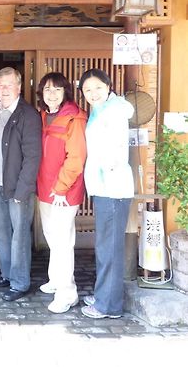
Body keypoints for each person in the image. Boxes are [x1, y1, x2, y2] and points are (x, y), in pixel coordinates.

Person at [79, 68, 134, 319]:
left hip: (112, 188)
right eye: (87, 89)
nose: (93, 93)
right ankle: (104, 295)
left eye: (98, 87)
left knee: (109, 248)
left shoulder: (114, 111)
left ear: (109, 86)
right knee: (105, 246)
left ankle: (108, 305)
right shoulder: (101, 110)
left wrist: (107, 172)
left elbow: (115, 150)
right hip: (103, 187)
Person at [0, 67, 41, 301]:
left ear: (19, 87)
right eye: (0, 85)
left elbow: (33, 156)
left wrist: (22, 190)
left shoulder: (27, 115)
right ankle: (8, 274)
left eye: (9, 85)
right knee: (1, 231)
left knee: (19, 234)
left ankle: (19, 282)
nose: (4, 89)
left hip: (17, 187)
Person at [36, 72, 87, 313]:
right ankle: (56, 280)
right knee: (52, 237)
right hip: (45, 189)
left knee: (63, 241)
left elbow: (76, 158)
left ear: (65, 91)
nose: (52, 94)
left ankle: (68, 293)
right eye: (47, 90)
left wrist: (61, 188)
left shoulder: (74, 118)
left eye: (57, 89)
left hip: (63, 191)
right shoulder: (44, 115)